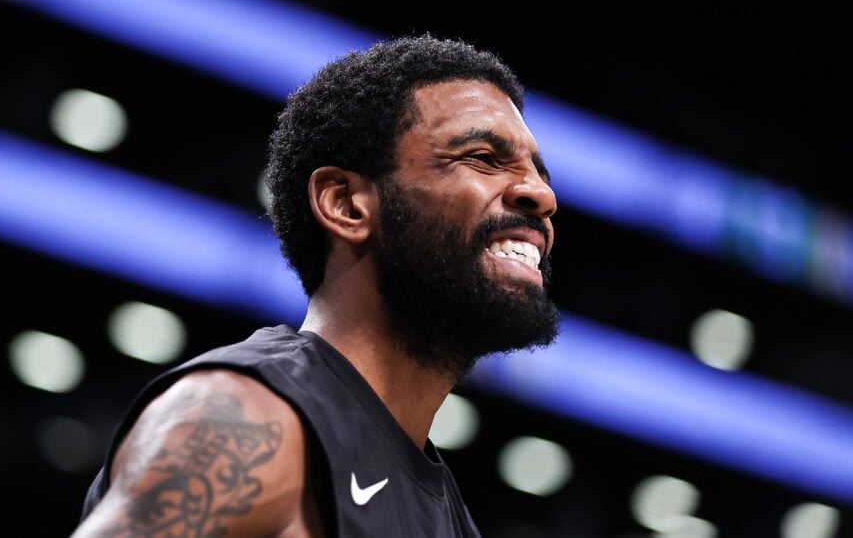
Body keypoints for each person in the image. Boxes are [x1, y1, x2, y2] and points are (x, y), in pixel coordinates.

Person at [71, 33, 560, 537]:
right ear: (347, 205)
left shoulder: (448, 515)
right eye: (482, 156)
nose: (541, 194)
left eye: (538, 171)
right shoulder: (245, 418)